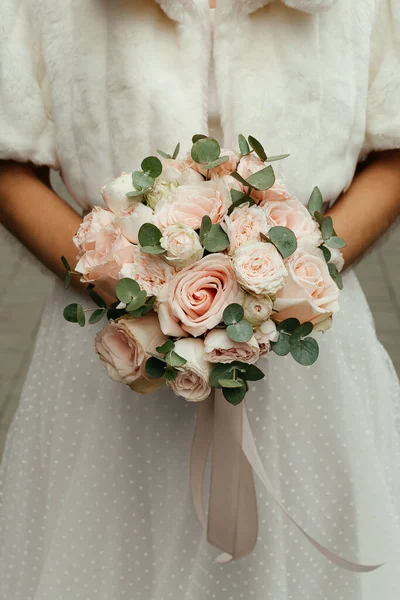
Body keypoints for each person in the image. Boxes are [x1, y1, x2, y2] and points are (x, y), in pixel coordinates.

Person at [1, 0, 400, 598]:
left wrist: (294, 274)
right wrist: (127, 283)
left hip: (307, 357)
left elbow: (392, 149)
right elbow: (9, 160)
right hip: (115, 366)